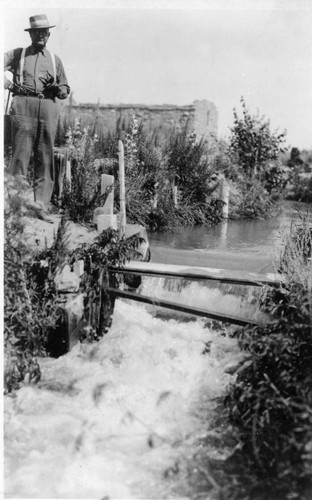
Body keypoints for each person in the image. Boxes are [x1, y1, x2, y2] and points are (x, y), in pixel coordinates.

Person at [4, 14, 70, 219]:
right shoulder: (18, 54)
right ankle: (15, 205)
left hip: (48, 108)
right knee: (20, 157)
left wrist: (58, 89)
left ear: (48, 34)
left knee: (46, 157)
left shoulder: (54, 59)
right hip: (23, 105)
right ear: (30, 34)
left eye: (45, 32)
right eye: (37, 32)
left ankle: (40, 206)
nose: (42, 35)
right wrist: (6, 84)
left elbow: (65, 88)